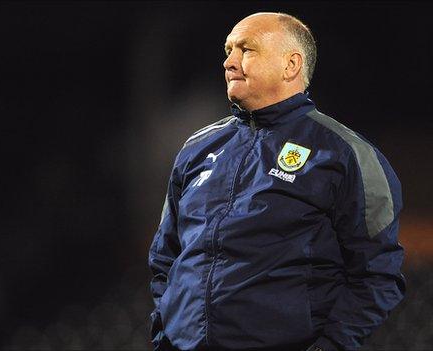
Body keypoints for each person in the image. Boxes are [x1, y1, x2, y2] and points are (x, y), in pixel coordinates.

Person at [148, 12, 405, 351]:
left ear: (291, 65)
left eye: (246, 49)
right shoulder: (197, 148)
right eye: (227, 50)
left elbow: (378, 275)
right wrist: (164, 336)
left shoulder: (345, 154)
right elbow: (165, 258)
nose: (229, 62)